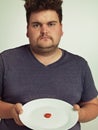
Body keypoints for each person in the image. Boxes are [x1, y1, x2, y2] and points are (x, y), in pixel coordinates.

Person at [0, 0, 98, 130]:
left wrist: (81, 114)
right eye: (36, 25)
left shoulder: (79, 65)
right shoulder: (5, 60)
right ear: (27, 30)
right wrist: (11, 111)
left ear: (61, 29)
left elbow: (94, 105)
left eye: (51, 24)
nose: (44, 31)